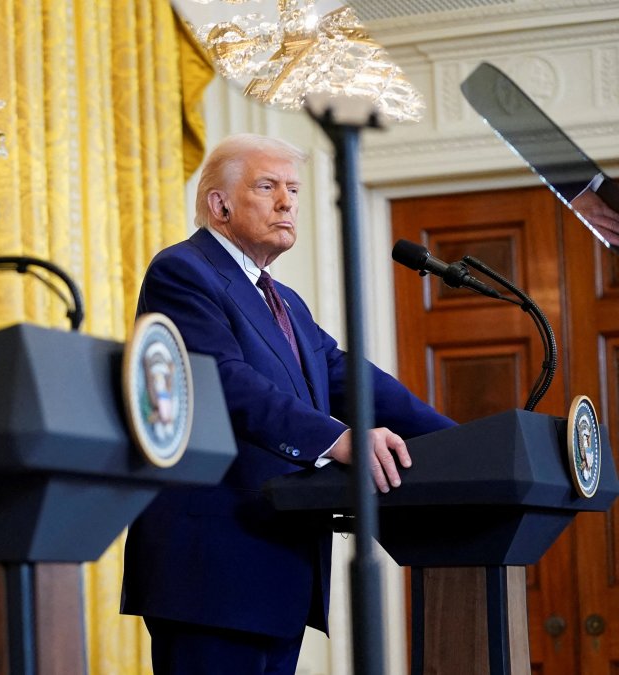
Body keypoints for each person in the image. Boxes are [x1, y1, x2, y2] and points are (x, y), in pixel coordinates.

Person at [120, 133, 456, 674]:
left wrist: (458, 441)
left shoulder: (284, 301)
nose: (287, 203)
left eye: (294, 190)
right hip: (213, 568)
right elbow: (223, 381)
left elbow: (347, 376)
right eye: (268, 186)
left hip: (277, 563)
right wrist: (338, 438)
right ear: (220, 204)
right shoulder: (183, 271)